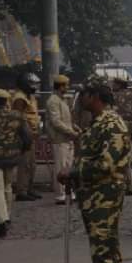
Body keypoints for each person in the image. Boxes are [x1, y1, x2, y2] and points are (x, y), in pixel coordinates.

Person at [59, 77, 132, 263]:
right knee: (105, 253)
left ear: (96, 97)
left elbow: (106, 164)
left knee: (105, 254)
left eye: (86, 95)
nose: (82, 100)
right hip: (93, 199)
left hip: (105, 199)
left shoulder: (112, 124)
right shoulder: (97, 124)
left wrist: (74, 171)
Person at [0, 89, 33, 238]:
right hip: (11, 157)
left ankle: (2, 220)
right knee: (8, 186)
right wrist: (23, 149)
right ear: (6, 101)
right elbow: (27, 136)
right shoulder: (17, 116)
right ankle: (8, 216)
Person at [45, 75, 80, 205]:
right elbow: (56, 122)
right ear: (60, 86)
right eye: (66, 85)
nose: (68, 87)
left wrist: (75, 128)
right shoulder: (53, 101)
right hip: (59, 139)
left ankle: (69, 193)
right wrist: (72, 132)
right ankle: (60, 195)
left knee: (68, 166)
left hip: (67, 138)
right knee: (60, 167)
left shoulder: (62, 100)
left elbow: (67, 119)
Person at [12, 72, 42, 201]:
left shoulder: (29, 96)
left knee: (32, 164)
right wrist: (26, 135)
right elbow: (19, 119)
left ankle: (29, 188)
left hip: (32, 134)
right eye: (32, 84)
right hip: (24, 135)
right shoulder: (20, 98)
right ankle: (21, 191)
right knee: (24, 164)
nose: (34, 87)